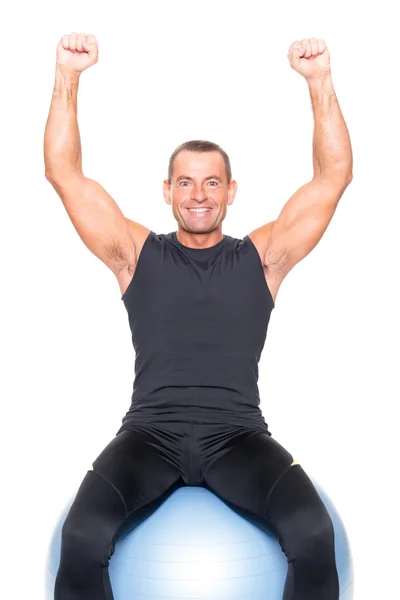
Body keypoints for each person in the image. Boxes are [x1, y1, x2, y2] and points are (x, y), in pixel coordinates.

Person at [44, 32, 353, 600]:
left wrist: (318, 82)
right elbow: (65, 174)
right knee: (82, 537)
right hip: (148, 437)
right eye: (185, 182)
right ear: (167, 191)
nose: (199, 194)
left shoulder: (263, 259)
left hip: (237, 437)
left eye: (212, 182)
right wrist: (68, 76)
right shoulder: (136, 255)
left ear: (231, 191)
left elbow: (332, 180)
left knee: (313, 533)